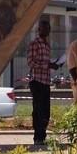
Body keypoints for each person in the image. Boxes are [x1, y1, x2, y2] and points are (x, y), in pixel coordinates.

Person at [26, 19, 57, 147]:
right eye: (44, 28)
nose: (47, 30)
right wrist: (47, 65)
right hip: (37, 81)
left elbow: (46, 63)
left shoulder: (47, 45)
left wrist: (54, 65)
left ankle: (42, 136)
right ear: (39, 30)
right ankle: (37, 137)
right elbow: (31, 62)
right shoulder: (35, 44)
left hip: (45, 81)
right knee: (38, 110)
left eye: (48, 28)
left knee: (46, 111)